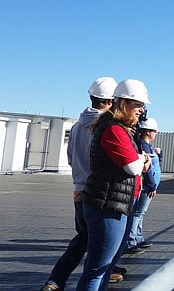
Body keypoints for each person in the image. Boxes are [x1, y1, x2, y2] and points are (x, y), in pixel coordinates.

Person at [41, 78, 125, 291]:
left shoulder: (78, 125)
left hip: (79, 190)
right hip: (100, 193)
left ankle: (56, 280)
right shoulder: (107, 126)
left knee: (84, 238)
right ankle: (94, 276)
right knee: (99, 242)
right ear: (111, 100)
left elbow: (70, 158)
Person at [76, 79, 152, 291]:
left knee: (105, 268)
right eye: (138, 105)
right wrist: (143, 160)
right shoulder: (113, 130)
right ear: (123, 104)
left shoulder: (121, 129)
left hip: (117, 204)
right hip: (107, 207)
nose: (141, 110)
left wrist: (138, 159)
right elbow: (133, 167)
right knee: (97, 269)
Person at [124, 117, 162, 254]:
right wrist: (152, 185)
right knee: (138, 213)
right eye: (154, 131)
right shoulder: (143, 146)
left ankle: (137, 238)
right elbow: (147, 169)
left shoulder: (147, 146)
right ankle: (131, 241)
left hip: (148, 186)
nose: (155, 134)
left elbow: (154, 165)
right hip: (147, 186)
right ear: (147, 132)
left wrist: (159, 155)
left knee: (140, 213)